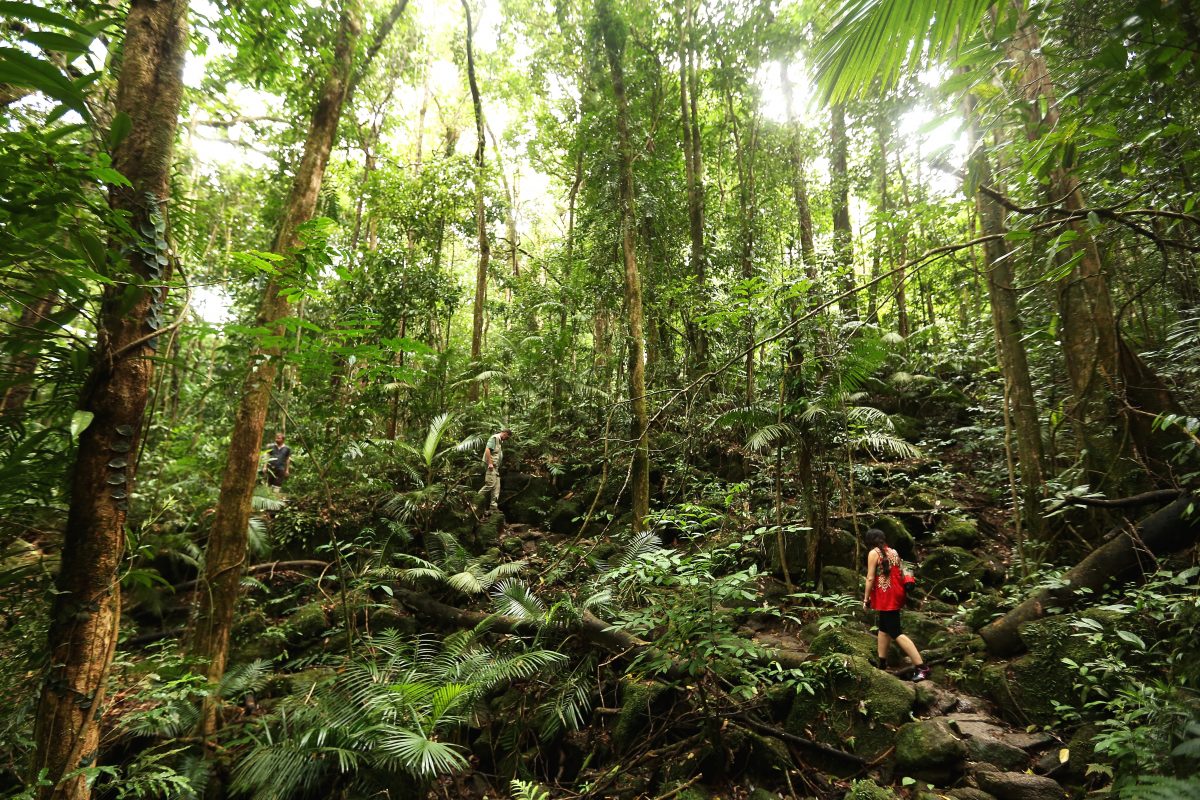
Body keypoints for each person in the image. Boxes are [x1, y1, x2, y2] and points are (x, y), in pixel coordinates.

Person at [861, 527, 930, 682]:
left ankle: (922, 667)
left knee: (896, 633)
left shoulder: (873, 553)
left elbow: (870, 578)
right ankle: (882, 663)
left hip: (887, 596)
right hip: (896, 593)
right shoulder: (894, 551)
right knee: (884, 629)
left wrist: (866, 599)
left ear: (869, 541)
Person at [480, 428, 512, 512]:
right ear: (504, 433)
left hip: (496, 468)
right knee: (490, 484)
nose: (506, 439)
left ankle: (493, 507)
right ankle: (475, 499)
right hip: (491, 466)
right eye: (507, 437)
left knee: (497, 487)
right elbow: (487, 450)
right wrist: (490, 463)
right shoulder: (494, 438)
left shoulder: (500, 442)